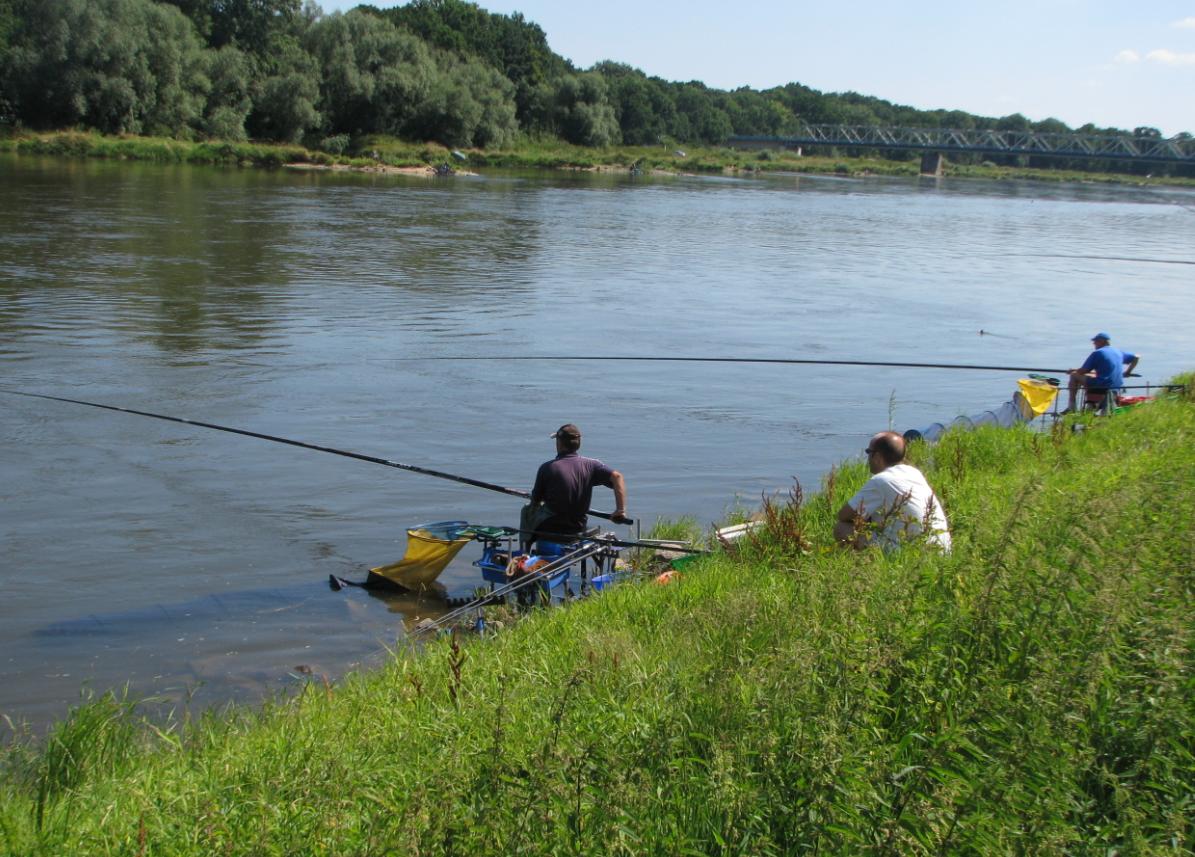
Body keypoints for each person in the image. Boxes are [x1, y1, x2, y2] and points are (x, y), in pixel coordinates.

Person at [834, 431, 951, 552]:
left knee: (842, 528)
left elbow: (844, 515)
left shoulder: (880, 480)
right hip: (941, 549)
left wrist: (864, 520)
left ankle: (865, 565)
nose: (867, 457)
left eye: (868, 452)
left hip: (913, 554)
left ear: (878, 457)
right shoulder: (914, 473)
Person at [525, 423, 630, 545]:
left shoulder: (547, 467)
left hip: (551, 527)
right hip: (577, 526)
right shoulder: (592, 465)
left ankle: (525, 551)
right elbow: (617, 477)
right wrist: (620, 510)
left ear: (559, 443)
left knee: (526, 511)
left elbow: (536, 501)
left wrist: (537, 501)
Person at [1065, 332, 1140, 412]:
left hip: (1103, 385)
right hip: (1117, 386)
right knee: (1090, 375)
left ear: (1102, 341)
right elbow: (1136, 357)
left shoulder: (1098, 353)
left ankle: (1071, 407)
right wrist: (1128, 372)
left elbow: (1083, 371)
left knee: (1074, 375)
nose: (1094, 343)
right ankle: (1090, 404)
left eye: (1095, 341)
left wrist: (1073, 371)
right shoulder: (1118, 352)